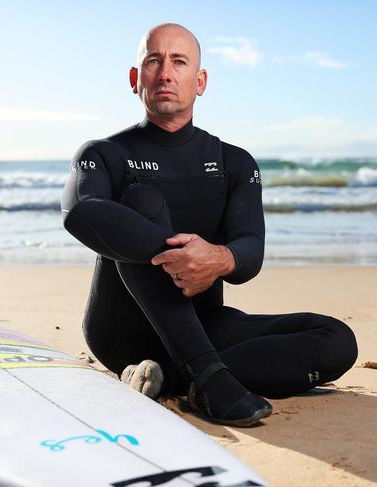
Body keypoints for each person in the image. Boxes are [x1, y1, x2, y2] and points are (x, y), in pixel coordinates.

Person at [61, 23, 357, 427]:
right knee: (142, 199)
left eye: (179, 62)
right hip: (123, 334)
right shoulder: (103, 153)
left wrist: (217, 259)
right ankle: (207, 373)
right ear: (136, 79)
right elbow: (81, 211)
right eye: (153, 61)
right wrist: (184, 257)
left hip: (206, 325)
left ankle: (177, 376)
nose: (165, 73)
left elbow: (249, 253)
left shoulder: (234, 163)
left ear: (200, 82)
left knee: (336, 339)